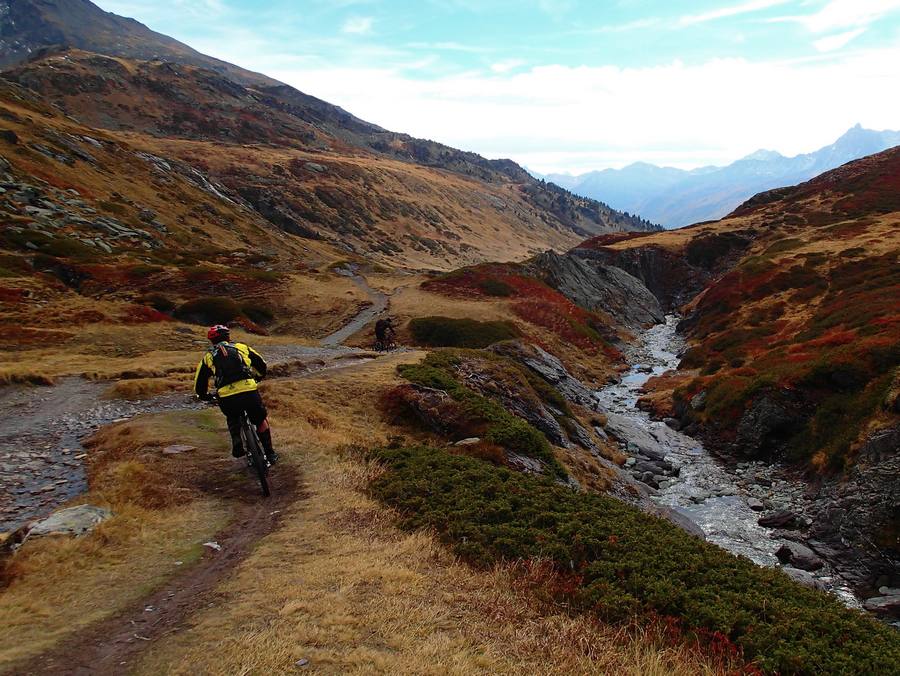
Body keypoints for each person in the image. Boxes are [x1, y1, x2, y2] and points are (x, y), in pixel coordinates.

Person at [194, 324, 278, 465]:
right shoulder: (241, 347)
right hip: (248, 391)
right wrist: (259, 376)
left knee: (232, 417)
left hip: (227, 396)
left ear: (211, 341)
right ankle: (270, 453)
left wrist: (204, 396)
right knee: (260, 420)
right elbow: (261, 363)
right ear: (228, 337)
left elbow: (199, 382)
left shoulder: (208, 357)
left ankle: (237, 440)